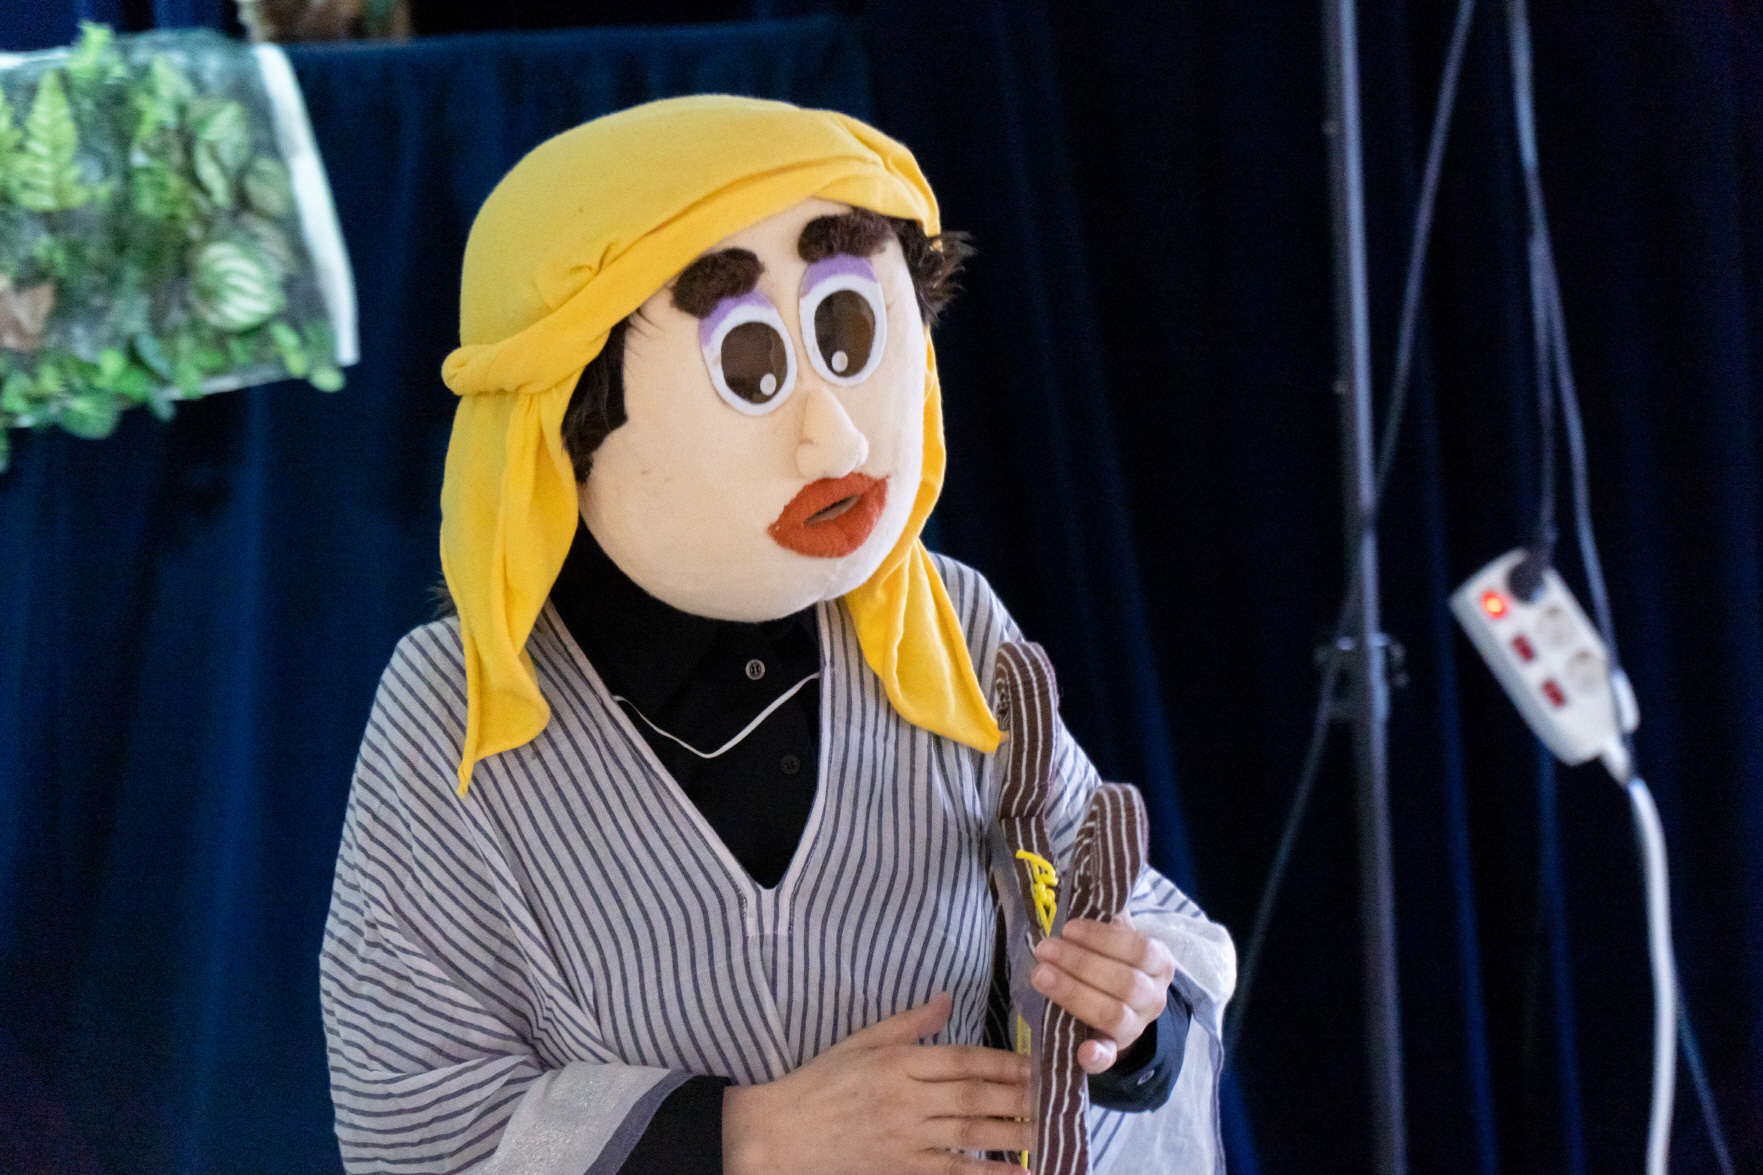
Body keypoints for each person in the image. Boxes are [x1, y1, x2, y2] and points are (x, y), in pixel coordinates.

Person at [319, 95, 1234, 1175]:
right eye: (750, 366)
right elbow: (411, 1117)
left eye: (846, 335)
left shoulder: (945, 626)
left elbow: (1123, 917)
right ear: (561, 415)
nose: (834, 439)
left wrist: (1127, 1018)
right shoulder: (454, 712)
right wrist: (741, 1135)